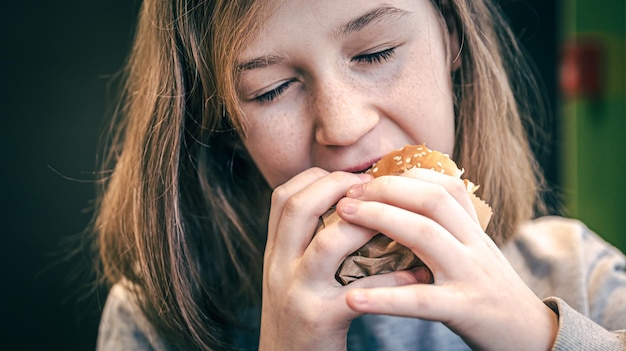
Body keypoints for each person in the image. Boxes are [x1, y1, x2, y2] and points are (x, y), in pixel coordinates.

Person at [93, 0, 626, 350]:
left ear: (453, 40)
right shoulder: (154, 322)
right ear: (226, 125)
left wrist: (542, 337)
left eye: (376, 53)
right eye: (272, 89)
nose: (343, 127)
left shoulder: (579, 276)